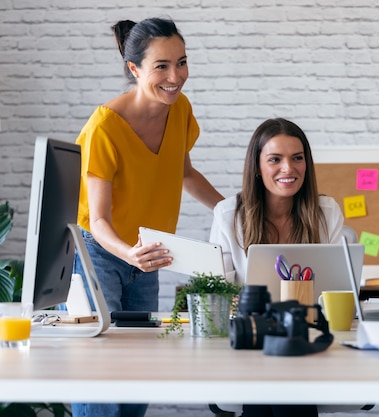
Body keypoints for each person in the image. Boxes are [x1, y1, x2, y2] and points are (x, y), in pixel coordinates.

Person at [72, 17, 223, 417]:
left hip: (149, 252)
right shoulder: (104, 127)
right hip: (102, 253)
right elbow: (98, 219)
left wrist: (235, 211)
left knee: (138, 368)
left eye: (182, 62)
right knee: (101, 367)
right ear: (134, 69)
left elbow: (185, 172)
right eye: (162, 66)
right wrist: (128, 254)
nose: (176, 76)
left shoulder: (180, 109)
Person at [209, 117, 344, 417]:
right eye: (275, 159)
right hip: (252, 338)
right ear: (257, 167)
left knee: (287, 382)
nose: (289, 169)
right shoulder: (229, 215)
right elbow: (221, 294)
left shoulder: (327, 212)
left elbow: (334, 289)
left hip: (306, 334)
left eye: (297, 158)